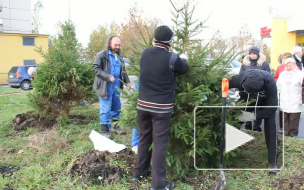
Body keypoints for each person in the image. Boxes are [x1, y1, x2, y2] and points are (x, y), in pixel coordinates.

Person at [133, 25, 189, 190]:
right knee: (160, 144)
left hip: (142, 106)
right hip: (161, 109)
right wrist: (184, 58)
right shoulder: (172, 58)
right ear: (170, 41)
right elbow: (184, 68)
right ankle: (158, 184)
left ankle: (139, 172)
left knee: (144, 138)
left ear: (154, 39)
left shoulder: (145, 53)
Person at [229, 69, 279, 173]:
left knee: (270, 125)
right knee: (235, 118)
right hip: (247, 99)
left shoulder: (270, 83)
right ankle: (229, 147)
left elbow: (272, 108)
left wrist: (252, 116)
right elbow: (224, 82)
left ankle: (273, 161)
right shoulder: (239, 78)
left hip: (265, 101)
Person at [93, 35, 131, 140]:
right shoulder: (102, 55)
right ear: (110, 44)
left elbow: (123, 71)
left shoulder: (120, 56)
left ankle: (115, 126)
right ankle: (105, 130)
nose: (117, 46)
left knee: (116, 107)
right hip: (105, 86)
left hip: (117, 87)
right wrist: (108, 76)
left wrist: (127, 82)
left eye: (119, 45)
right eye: (115, 44)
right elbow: (96, 69)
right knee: (105, 108)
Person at [239, 46, 271, 131]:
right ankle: (248, 126)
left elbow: (267, 77)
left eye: (254, 54)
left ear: (257, 54)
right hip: (247, 91)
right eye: (251, 54)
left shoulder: (264, 64)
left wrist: (262, 87)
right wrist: (242, 87)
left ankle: (257, 127)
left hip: (260, 91)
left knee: (258, 110)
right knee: (248, 109)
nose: (252, 56)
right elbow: (241, 76)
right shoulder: (245, 64)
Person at [277, 57, 304, 137]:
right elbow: (278, 86)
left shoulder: (300, 74)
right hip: (284, 99)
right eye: (287, 66)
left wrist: (302, 99)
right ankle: (285, 133)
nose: (288, 68)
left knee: (294, 118)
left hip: (295, 99)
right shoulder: (282, 74)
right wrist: (278, 97)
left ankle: (293, 134)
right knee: (285, 117)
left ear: (294, 65)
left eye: (290, 66)